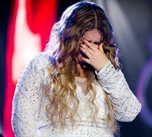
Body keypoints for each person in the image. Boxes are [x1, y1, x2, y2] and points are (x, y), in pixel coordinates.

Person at [11, 1, 141, 137]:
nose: (89, 50)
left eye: (95, 43)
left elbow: (129, 113)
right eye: (83, 43)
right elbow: (22, 119)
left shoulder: (106, 71)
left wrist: (104, 69)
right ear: (68, 37)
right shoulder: (42, 65)